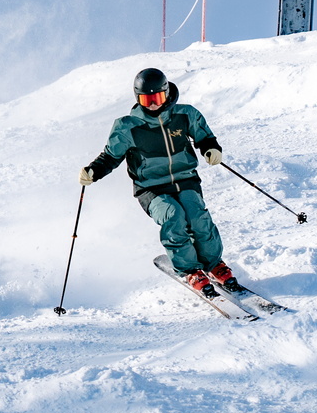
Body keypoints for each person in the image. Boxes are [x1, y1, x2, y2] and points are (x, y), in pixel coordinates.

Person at [79, 67, 237, 299]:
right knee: (173, 216)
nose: (153, 104)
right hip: (150, 188)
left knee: (197, 216)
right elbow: (111, 157)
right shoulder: (128, 126)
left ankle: (214, 263)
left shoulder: (185, 114)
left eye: (157, 98)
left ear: (166, 93)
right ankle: (191, 270)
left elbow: (204, 136)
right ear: (138, 98)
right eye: (147, 99)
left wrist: (211, 149)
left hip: (185, 180)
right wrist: (94, 171)